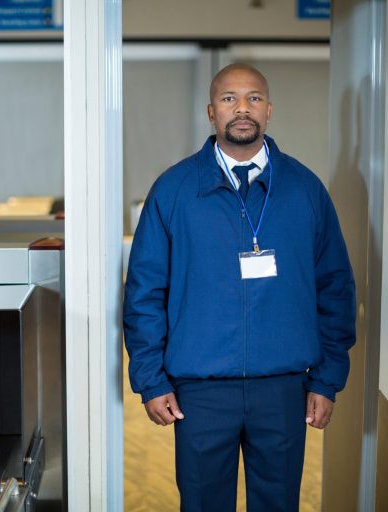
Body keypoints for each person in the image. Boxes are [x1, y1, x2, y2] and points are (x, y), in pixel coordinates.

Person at [123, 64, 356, 512]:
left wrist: (327, 380)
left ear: (269, 110)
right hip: (200, 390)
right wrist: (150, 380)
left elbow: (335, 289)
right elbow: (144, 293)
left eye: (253, 98)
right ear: (211, 112)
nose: (242, 108)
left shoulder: (306, 190)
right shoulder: (173, 190)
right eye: (229, 99)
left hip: (284, 388)